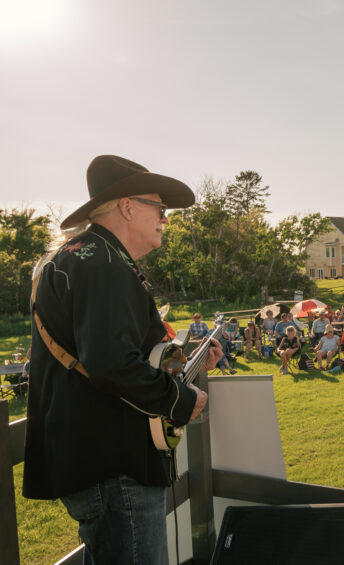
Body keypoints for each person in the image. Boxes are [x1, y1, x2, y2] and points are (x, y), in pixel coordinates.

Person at [23, 154, 221, 564]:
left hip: (96, 459)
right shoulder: (103, 264)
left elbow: (119, 355)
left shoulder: (85, 257)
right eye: (159, 207)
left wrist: (189, 366)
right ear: (127, 207)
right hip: (114, 463)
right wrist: (182, 401)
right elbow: (111, 363)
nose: (165, 217)